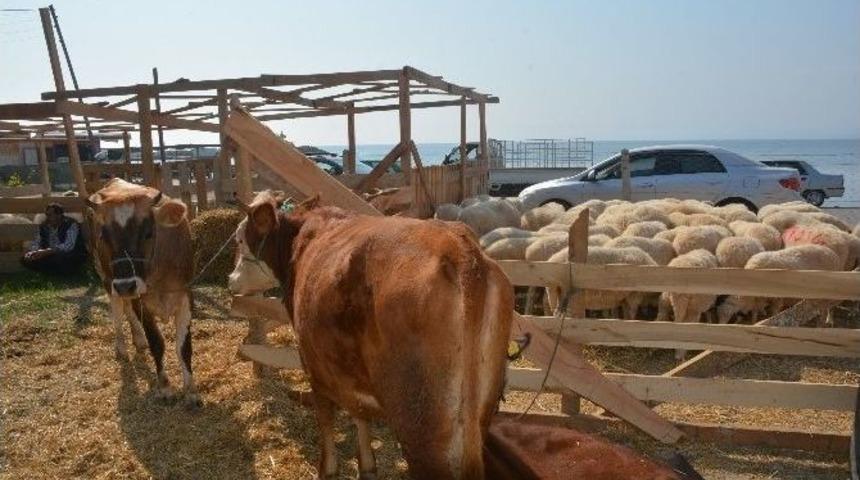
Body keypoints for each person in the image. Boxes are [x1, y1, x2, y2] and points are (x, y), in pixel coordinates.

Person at [21, 203, 87, 275]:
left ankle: (63, 272)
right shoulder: (44, 226)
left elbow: (68, 245)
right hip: (48, 254)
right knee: (25, 259)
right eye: (47, 215)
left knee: (61, 258)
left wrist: (49, 251)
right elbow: (37, 241)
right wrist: (33, 252)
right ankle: (51, 272)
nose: (47, 218)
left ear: (59, 215)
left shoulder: (70, 224)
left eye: (50, 215)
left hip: (68, 254)